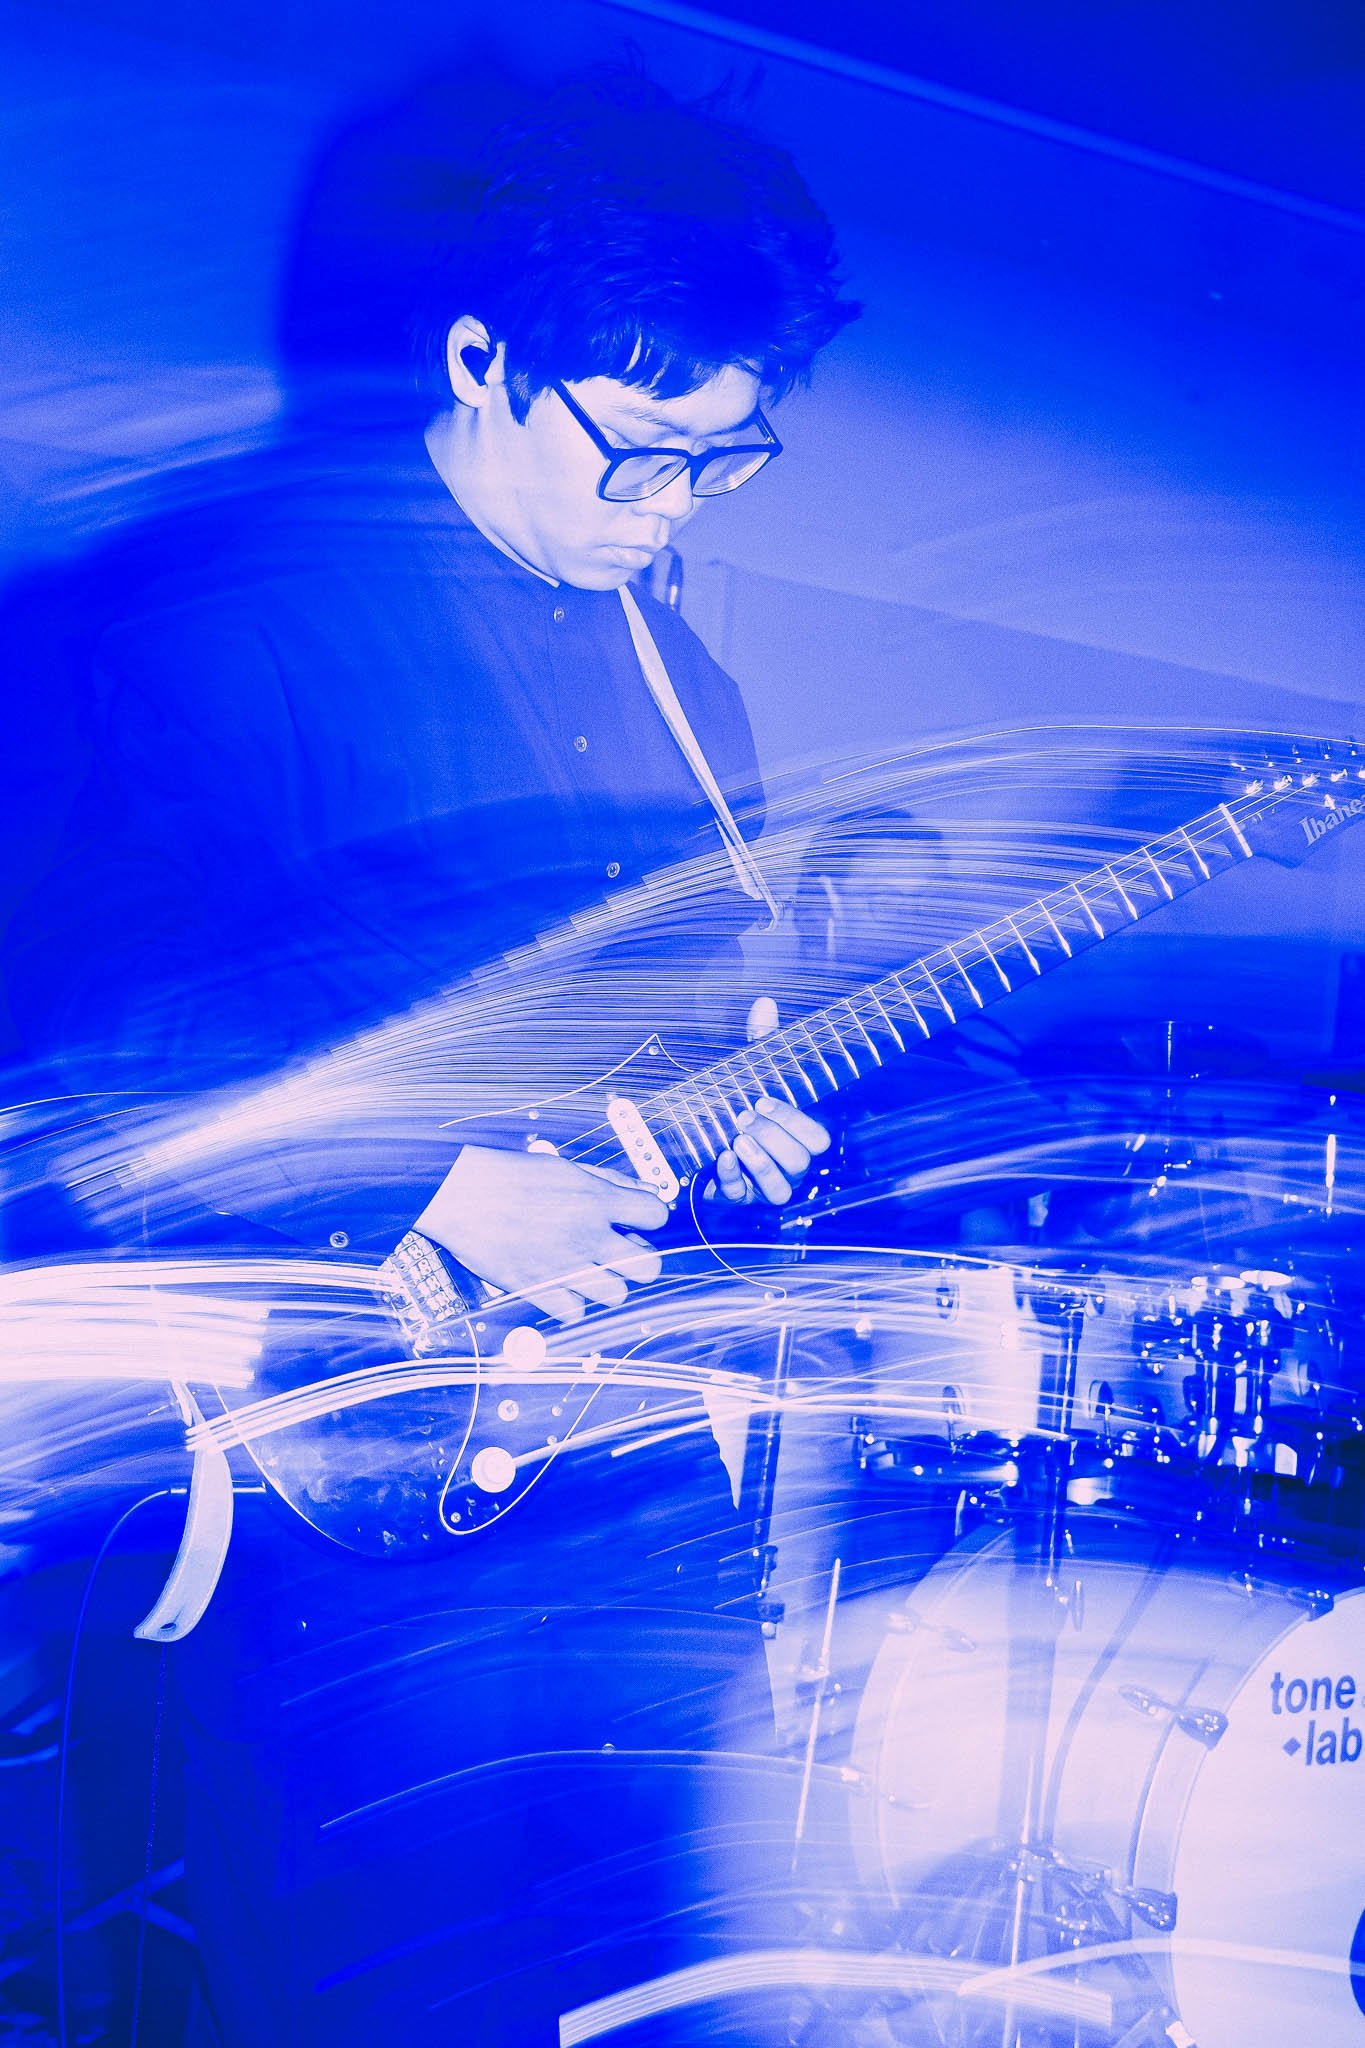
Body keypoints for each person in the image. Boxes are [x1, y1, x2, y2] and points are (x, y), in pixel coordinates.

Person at [2, 64, 858, 2046]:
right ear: (479, 359)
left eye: (726, 462)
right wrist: (435, 1182)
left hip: (623, 1491)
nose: (672, 509)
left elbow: (637, 1067)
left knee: (669, 1991)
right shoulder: (219, 618)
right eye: (639, 453)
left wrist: (731, 1117)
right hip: (342, 1491)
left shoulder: (694, 695)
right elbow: (91, 1017)